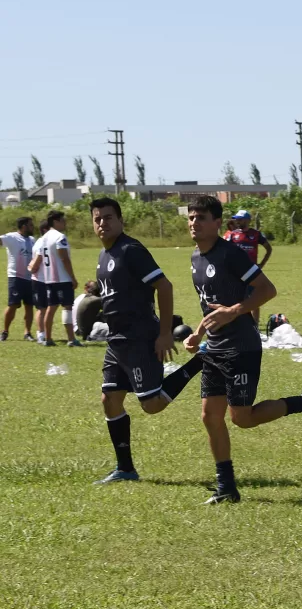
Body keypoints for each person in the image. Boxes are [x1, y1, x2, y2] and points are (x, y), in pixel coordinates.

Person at [182, 196, 302, 504]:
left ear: (217, 224)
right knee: (210, 416)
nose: (193, 223)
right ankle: (226, 487)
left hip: (241, 347)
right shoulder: (196, 258)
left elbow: (267, 290)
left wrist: (234, 311)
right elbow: (210, 304)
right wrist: (198, 333)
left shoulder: (231, 255)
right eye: (190, 218)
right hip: (214, 348)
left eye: (200, 218)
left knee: (242, 418)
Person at [87, 197, 204, 484]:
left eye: (108, 217)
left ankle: (201, 361)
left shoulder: (131, 250)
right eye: (98, 218)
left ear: (121, 220)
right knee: (110, 400)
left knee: (151, 405)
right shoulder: (105, 256)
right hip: (117, 342)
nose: (103, 223)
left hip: (140, 338)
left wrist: (164, 334)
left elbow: (164, 286)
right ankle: (126, 469)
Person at [29, 210, 80, 347]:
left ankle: (48, 338)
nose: (65, 223)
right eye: (63, 220)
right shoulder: (60, 237)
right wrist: (73, 278)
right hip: (62, 278)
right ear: (56, 222)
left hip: (48, 278)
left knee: (51, 308)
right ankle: (71, 339)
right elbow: (64, 258)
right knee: (67, 307)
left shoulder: (44, 238)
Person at [223, 210, 273, 325]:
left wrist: (261, 264)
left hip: (252, 272)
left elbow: (268, 249)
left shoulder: (256, 234)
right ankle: (236, 322)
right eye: (236, 219)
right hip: (236, 273)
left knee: (255, 299)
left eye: (240, 219)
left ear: (247, 220)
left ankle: (254, 324)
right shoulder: (231, 234)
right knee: (235, 298)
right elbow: (223, 250)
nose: (237, 221)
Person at [2, 216, 36, 341]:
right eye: (30, 225)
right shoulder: (12, 237)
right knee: (13, 304)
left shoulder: (32, 240)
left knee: (29, 305)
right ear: (23, 226)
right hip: (16, 276)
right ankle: (5, 331)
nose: (33, 227)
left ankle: (27, 333)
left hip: (30, 277)